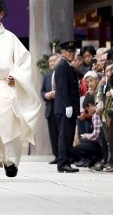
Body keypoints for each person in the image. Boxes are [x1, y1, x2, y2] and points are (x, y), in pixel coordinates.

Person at [0, 0, 41, 179]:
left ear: (1, 14)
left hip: (5, 87)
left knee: (8, 126)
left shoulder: (10, 38)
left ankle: (10, 160)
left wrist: (16, 75)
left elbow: (23, 61)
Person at [53, 40, 81, 173]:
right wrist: (68, 106)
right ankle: (63, 163)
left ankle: (66, 161)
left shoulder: (68, 66)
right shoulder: (62, 66)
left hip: (68, 107)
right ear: (62, 53)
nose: (71, 53)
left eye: (73, 51)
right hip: (65, 107)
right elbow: (62, 88)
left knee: (68, 136)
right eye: (68, 51)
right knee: (65, 136)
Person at [41, 54, 61, 165]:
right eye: (50, 61)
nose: (52, 63)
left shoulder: (61, 73)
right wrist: (46, 96)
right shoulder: (47, 76)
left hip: (60, 107)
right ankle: (57, 156)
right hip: (50, 108)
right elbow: (42, 91)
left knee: (61, 133)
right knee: (53, 134)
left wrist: (56, 94)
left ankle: (63, 156)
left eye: (54, 61)